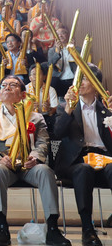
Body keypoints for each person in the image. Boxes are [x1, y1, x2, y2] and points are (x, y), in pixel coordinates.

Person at [0, 76, 70, 246]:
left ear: (22, 95)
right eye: (4, 85)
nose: (6, 87)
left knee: (45, 171)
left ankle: (52, 228)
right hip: (4, 164)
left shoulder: (35, 117)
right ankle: (1, 228)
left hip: (29, 165)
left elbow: (43, 141)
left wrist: (35, 157)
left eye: (12, 85)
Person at [53, 64, 112, 246]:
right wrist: (69, 110)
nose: (78, 84)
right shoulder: (65, 108)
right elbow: (56, 133)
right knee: (84, 170)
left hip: (104, 157)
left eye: (84, 79)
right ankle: (88, 229)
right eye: (77, 79)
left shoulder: (106, 108)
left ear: (95, 84)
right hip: (76, 160)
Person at [48, 28, 76, 97]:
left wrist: (73, 50)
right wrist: (57, 52)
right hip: (58, 80)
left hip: (73, 79)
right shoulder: (52, 51)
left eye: (63, 33)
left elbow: (80, 65)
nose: (60, 35)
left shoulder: (77, 49)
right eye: (57, 34)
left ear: (68, 35)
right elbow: (50, 65)